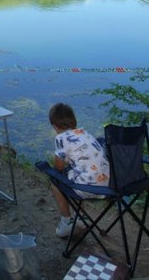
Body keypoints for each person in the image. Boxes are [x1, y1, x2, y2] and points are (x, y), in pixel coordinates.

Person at [47, 102, 110, 238]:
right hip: (107, 185)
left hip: (87, 189)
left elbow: (59, 167)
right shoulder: (84, 133)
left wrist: (60, 161)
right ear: (74, 120)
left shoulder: (60, 138)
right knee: (78, 174)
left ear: (55, 126)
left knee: (55, 181)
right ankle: (81, 217)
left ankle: (66, 222)